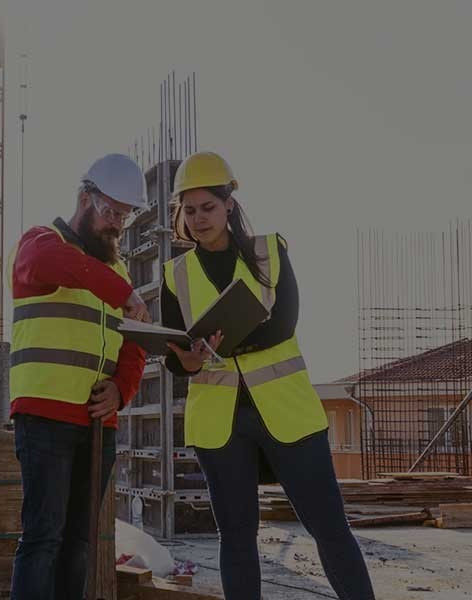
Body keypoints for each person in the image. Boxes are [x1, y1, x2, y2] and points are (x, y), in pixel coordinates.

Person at [161, 151, 376, 600]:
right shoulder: (174, 274)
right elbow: (173, 355)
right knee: (236, 537)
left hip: (287, 413)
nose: (199, 219)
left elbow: (284, 323)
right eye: (190, 209)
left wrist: (220, 343)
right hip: (220, 423)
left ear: (229, 206)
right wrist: (189, 360)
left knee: (329, 528)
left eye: (209, 207)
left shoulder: (269, 252)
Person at [9, 153, 150, 600]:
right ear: (84, 198)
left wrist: (122, 390)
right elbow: (64, 265)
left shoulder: (117, 270)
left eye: (124, 218)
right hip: (46, 419)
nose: (116, 225)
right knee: (42, 540)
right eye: (110, 212)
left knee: (79, 545)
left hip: (97, 424)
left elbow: (135, 345)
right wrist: (122, 292)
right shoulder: (40, 242)